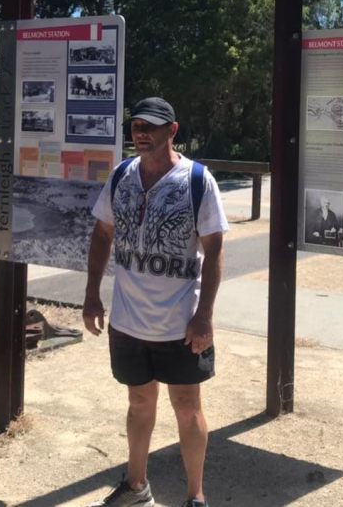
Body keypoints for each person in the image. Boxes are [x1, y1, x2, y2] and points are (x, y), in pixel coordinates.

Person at [84, 97, 228, 507]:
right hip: (128, 322)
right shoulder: (121, 176)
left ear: (172, 130)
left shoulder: (197, 180)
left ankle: (195, 495)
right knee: (139, 401)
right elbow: (103, 235)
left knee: (187, 406)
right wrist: (92, 294)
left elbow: (215, 250)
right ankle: (136, 486)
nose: (142, 133)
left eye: (151, 126)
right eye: (136, 126)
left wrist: (204, 316)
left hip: (180, 325)